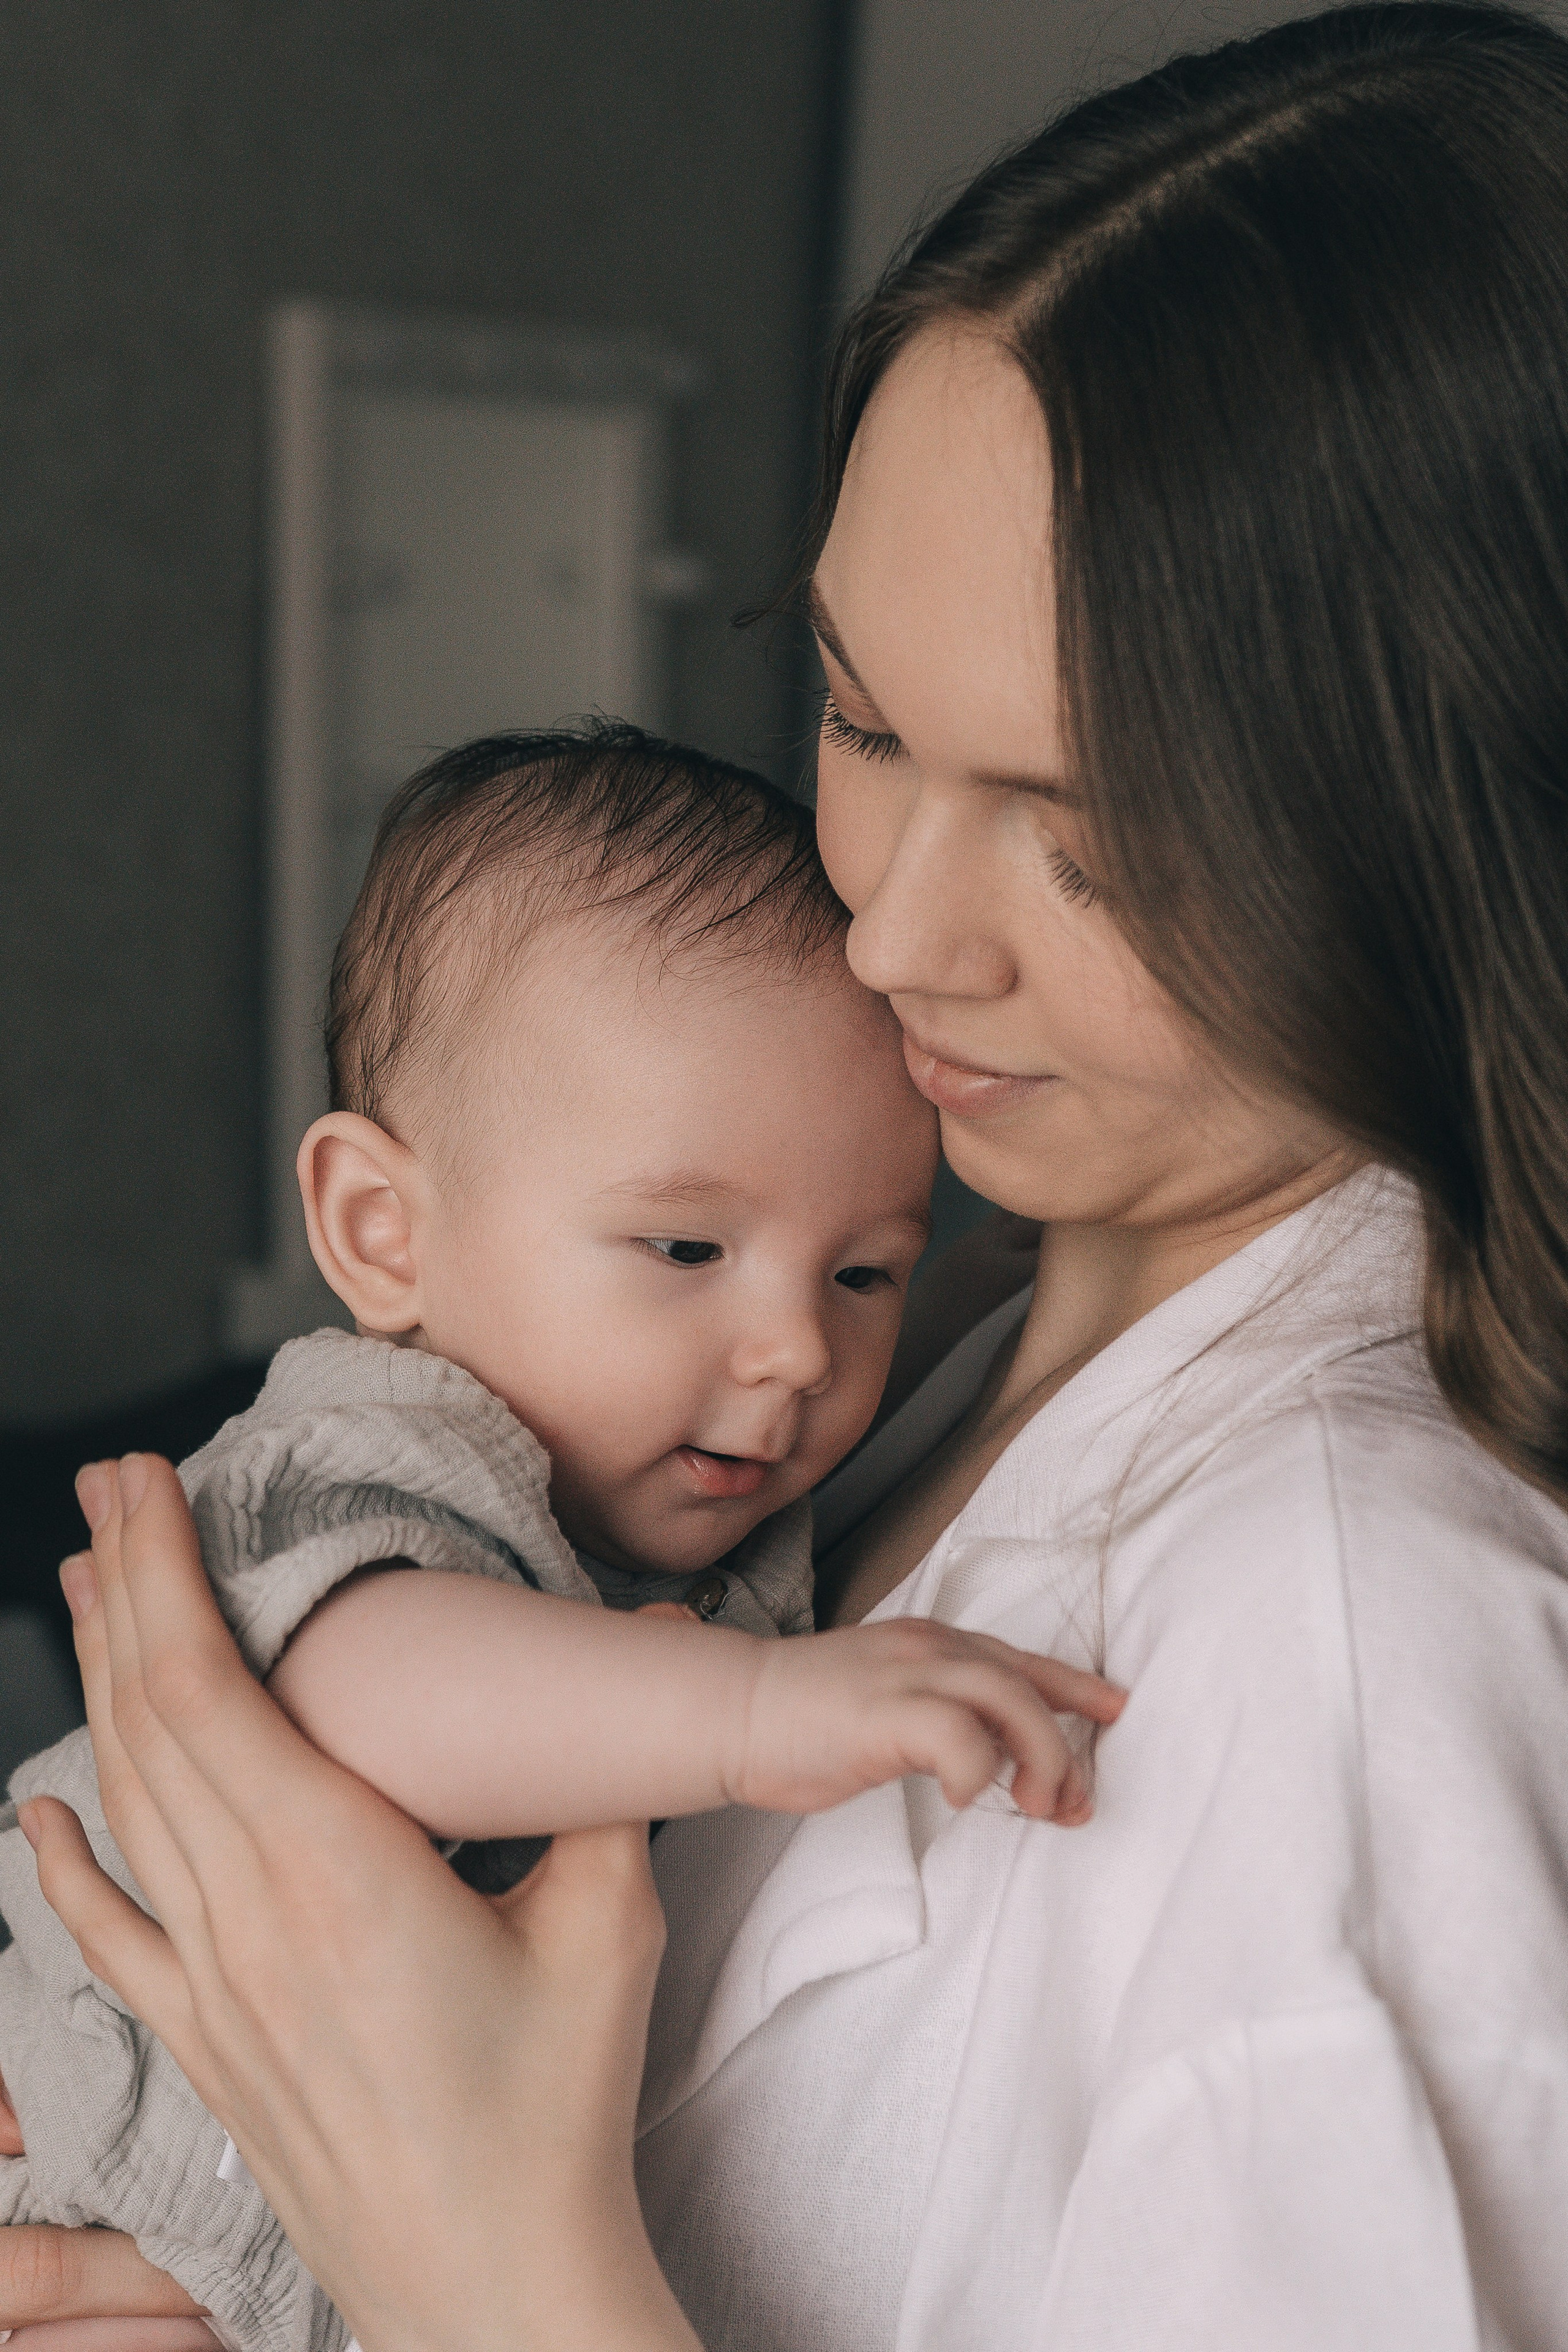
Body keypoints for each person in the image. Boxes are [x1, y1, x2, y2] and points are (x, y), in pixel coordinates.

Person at [6, 1, 1568, 2344]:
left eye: (1096, 832)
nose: (895, 931)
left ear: (1454, 835)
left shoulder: (1353, 1655)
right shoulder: (937, 1371)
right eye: (859, 717)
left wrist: (484, 2273)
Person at [0, 726, 1118, 2352]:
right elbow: (364, 1695)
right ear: (385, 1233)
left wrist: (984, 1295)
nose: (797, 1347)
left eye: (862, 1270)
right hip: (98, 2157)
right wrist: (754, 1714)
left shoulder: (689, 1483)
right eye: (688, 1246)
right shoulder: (379, 1459)